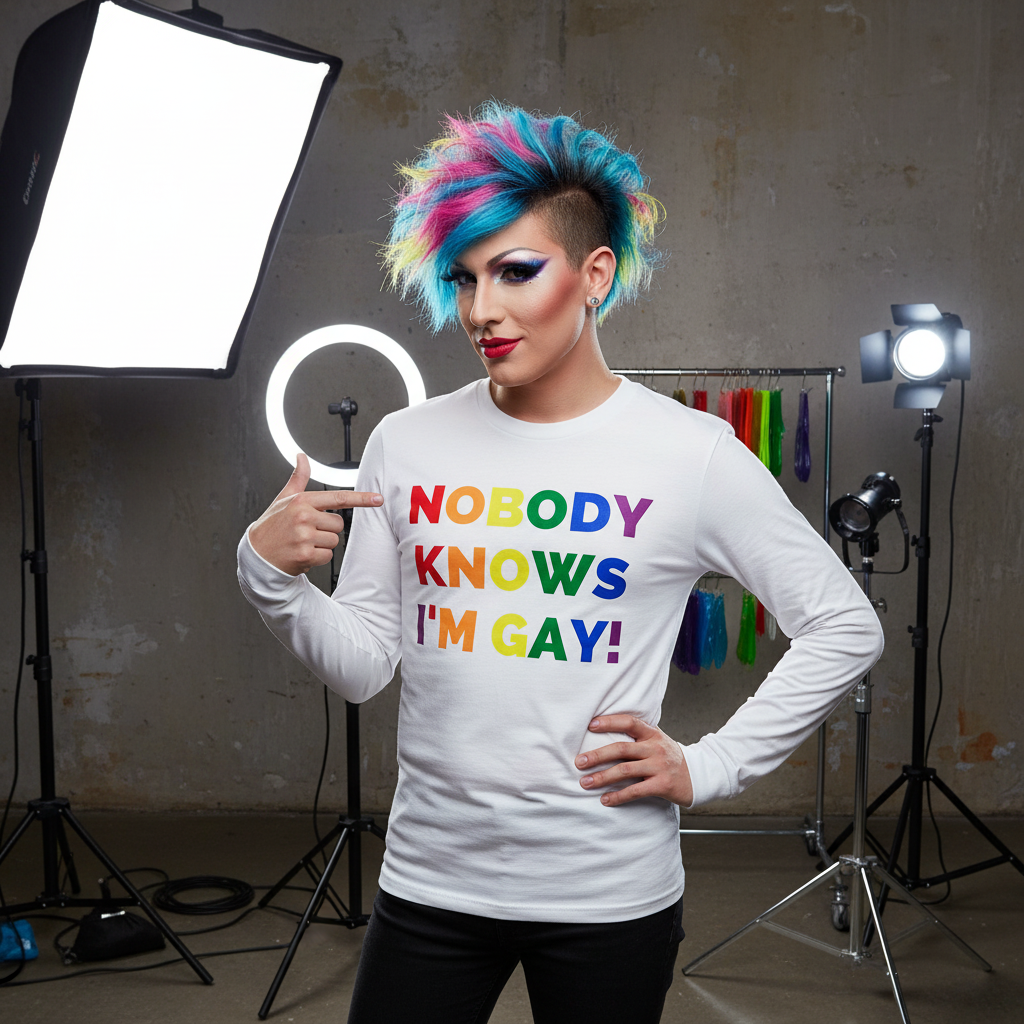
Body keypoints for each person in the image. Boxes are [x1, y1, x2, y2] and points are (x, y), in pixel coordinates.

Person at [237, 102, 883, 1024]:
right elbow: (366, 666)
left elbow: (844, 623)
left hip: (606, 894)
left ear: (594, 275)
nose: (481, 311)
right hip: (431, 882)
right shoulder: (406, 442)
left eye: (516, 272)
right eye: (464, 280)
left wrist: (713, 766)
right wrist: (270, 578)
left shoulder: (690, 454)